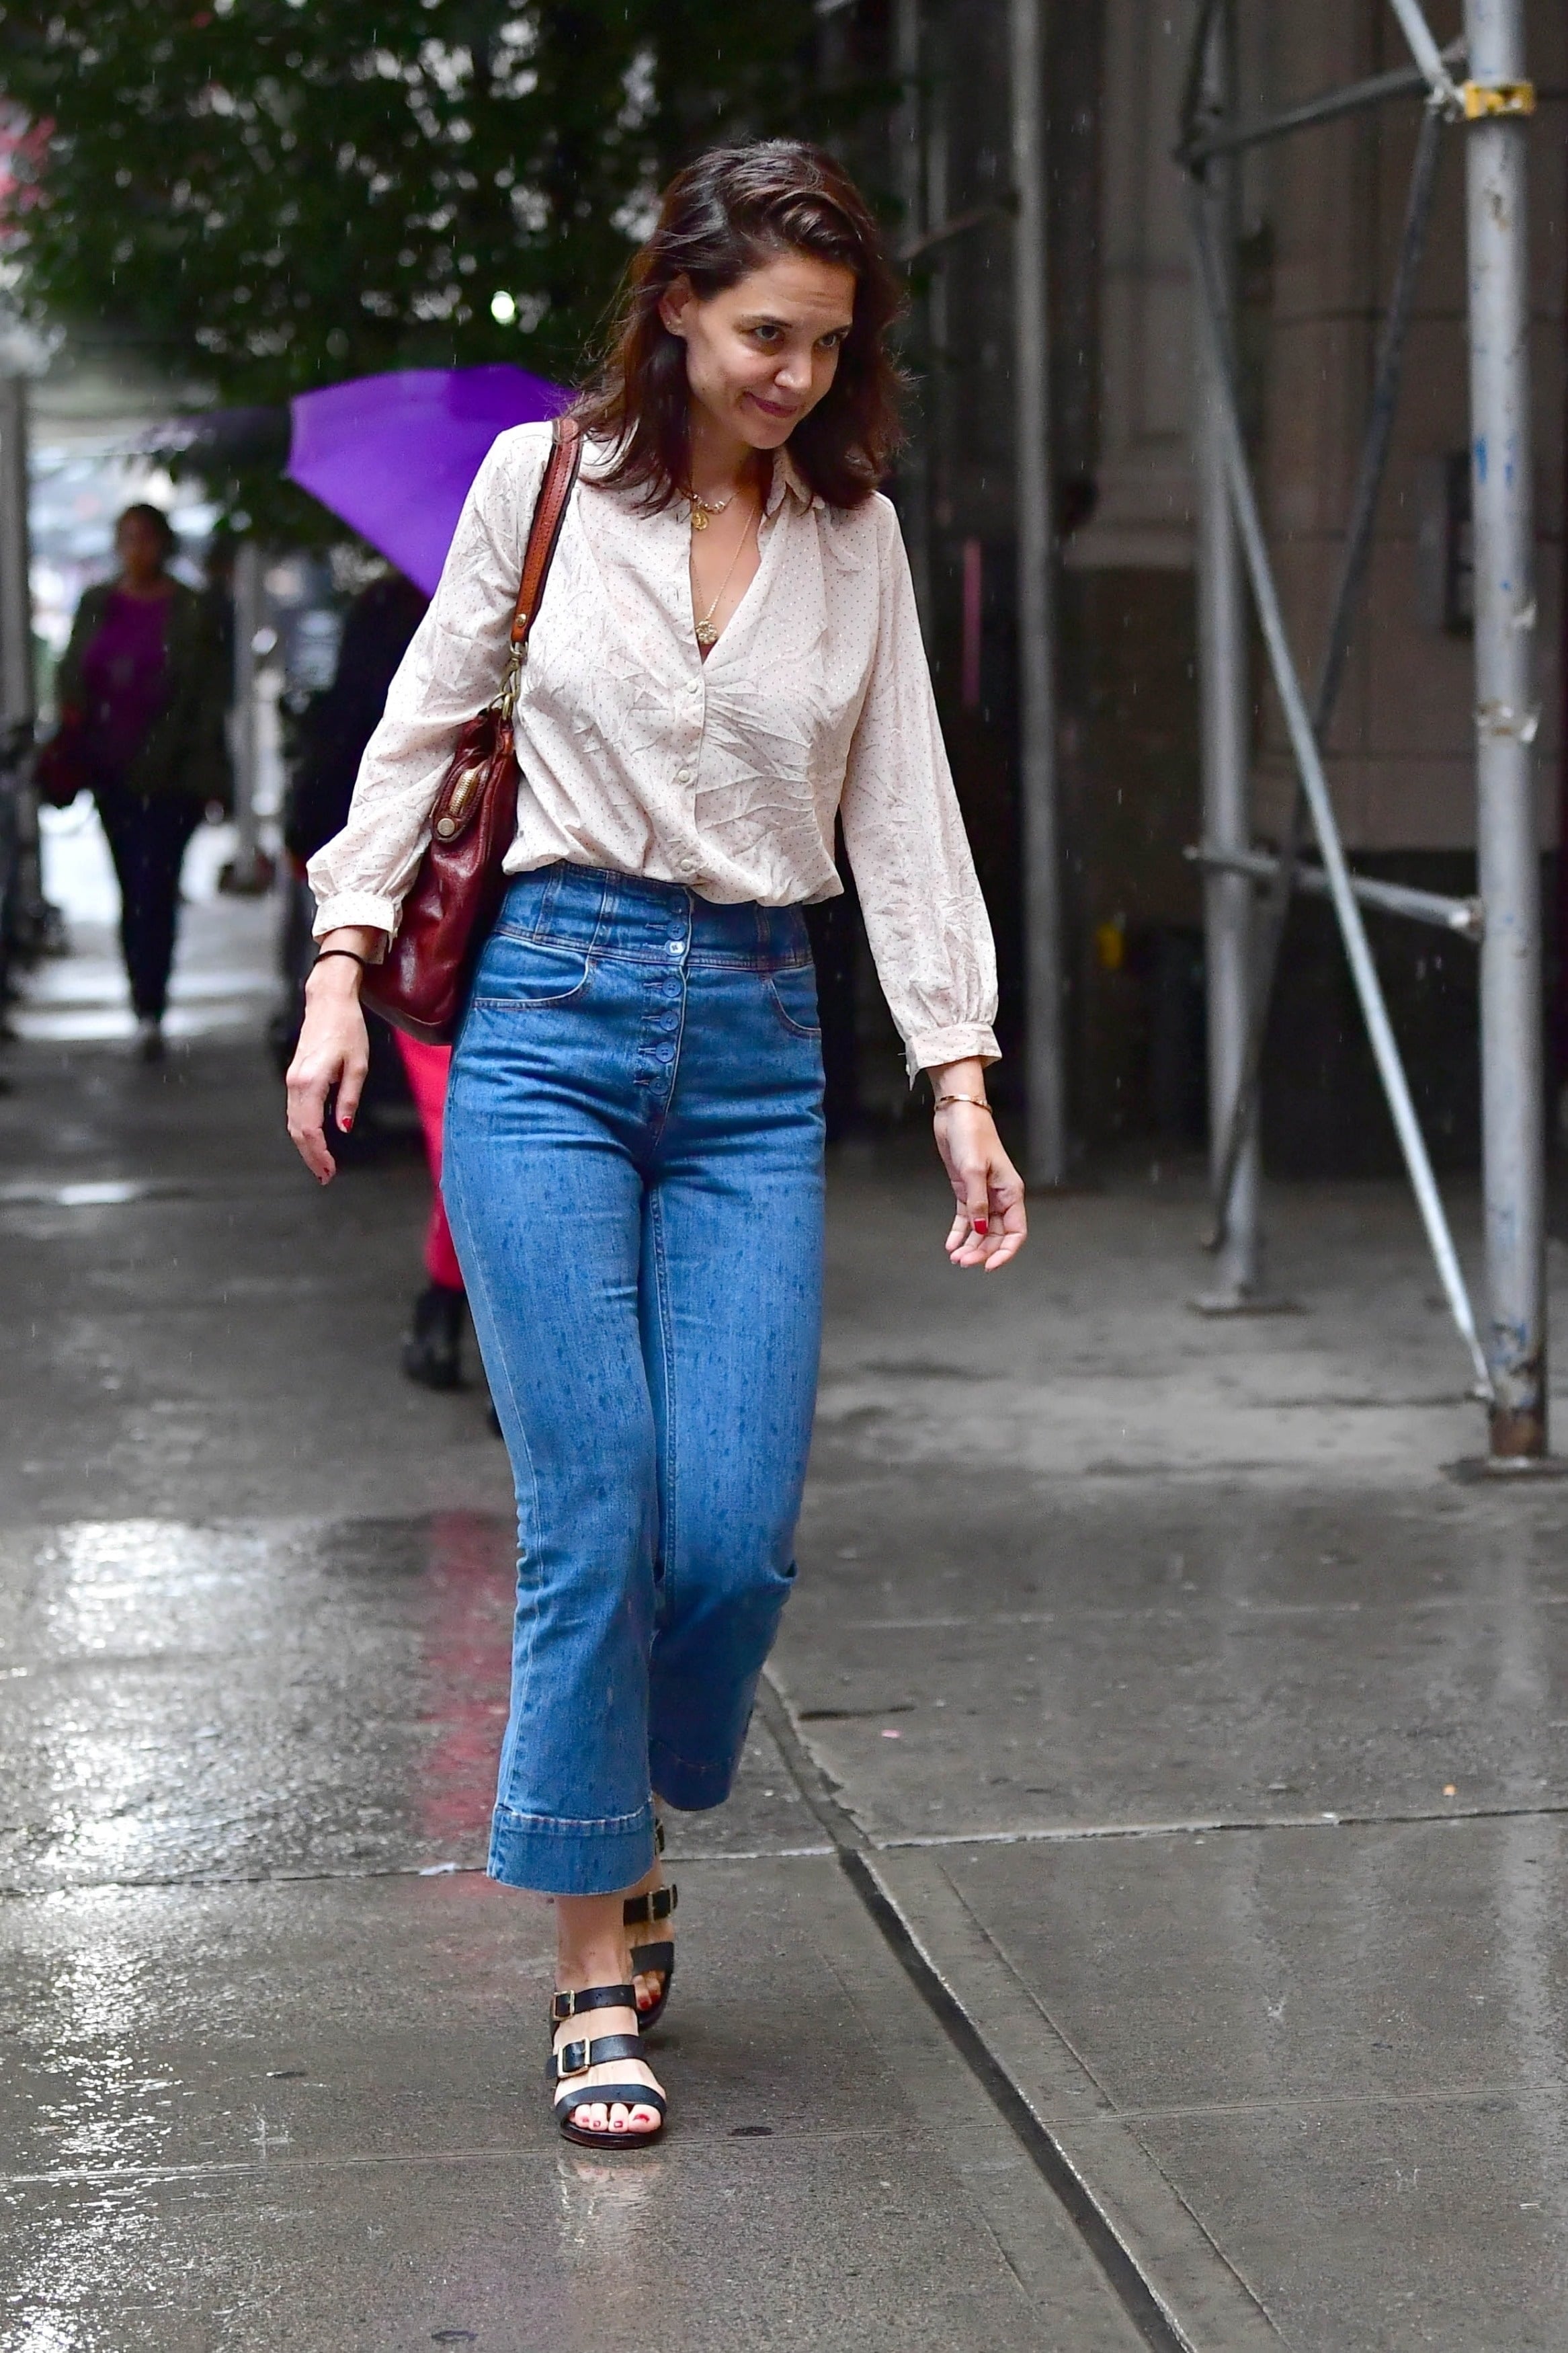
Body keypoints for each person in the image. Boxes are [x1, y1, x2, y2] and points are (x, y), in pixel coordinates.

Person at [286, 140, 1026, 2151]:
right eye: (765, 332)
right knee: (594, 1511)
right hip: (545, 1021)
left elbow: (906, 812)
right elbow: (428, 729)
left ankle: (621, 1792)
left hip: (760, 1052)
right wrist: (344, 959)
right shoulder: (541, 491)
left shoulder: (849, 535)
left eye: (825, 344)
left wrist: (954, 1070)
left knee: (731, 1533)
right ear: (679, 303)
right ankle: (589, 1961)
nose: (793, 373)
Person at [284, 573, 467, 1387]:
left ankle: (450, 1310)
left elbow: (333, 748)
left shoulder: (574, 573)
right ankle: (459, 1314)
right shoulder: (399, 614)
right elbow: (356, 752)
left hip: (533, 916)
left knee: (473, 1150)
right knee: (469, 1151)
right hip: (435, 919)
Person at [55, 504, 231, 1060]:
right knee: (131, 886)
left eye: (146, 538)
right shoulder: (97, 604)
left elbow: (208, 696)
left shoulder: (191, 610)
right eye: (127, 538)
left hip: (173, 773)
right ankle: (142, 999)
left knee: (158, 885)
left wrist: (208, 772)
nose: (137, 550)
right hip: (111, 770)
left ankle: (152, 1001)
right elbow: (72, 673)